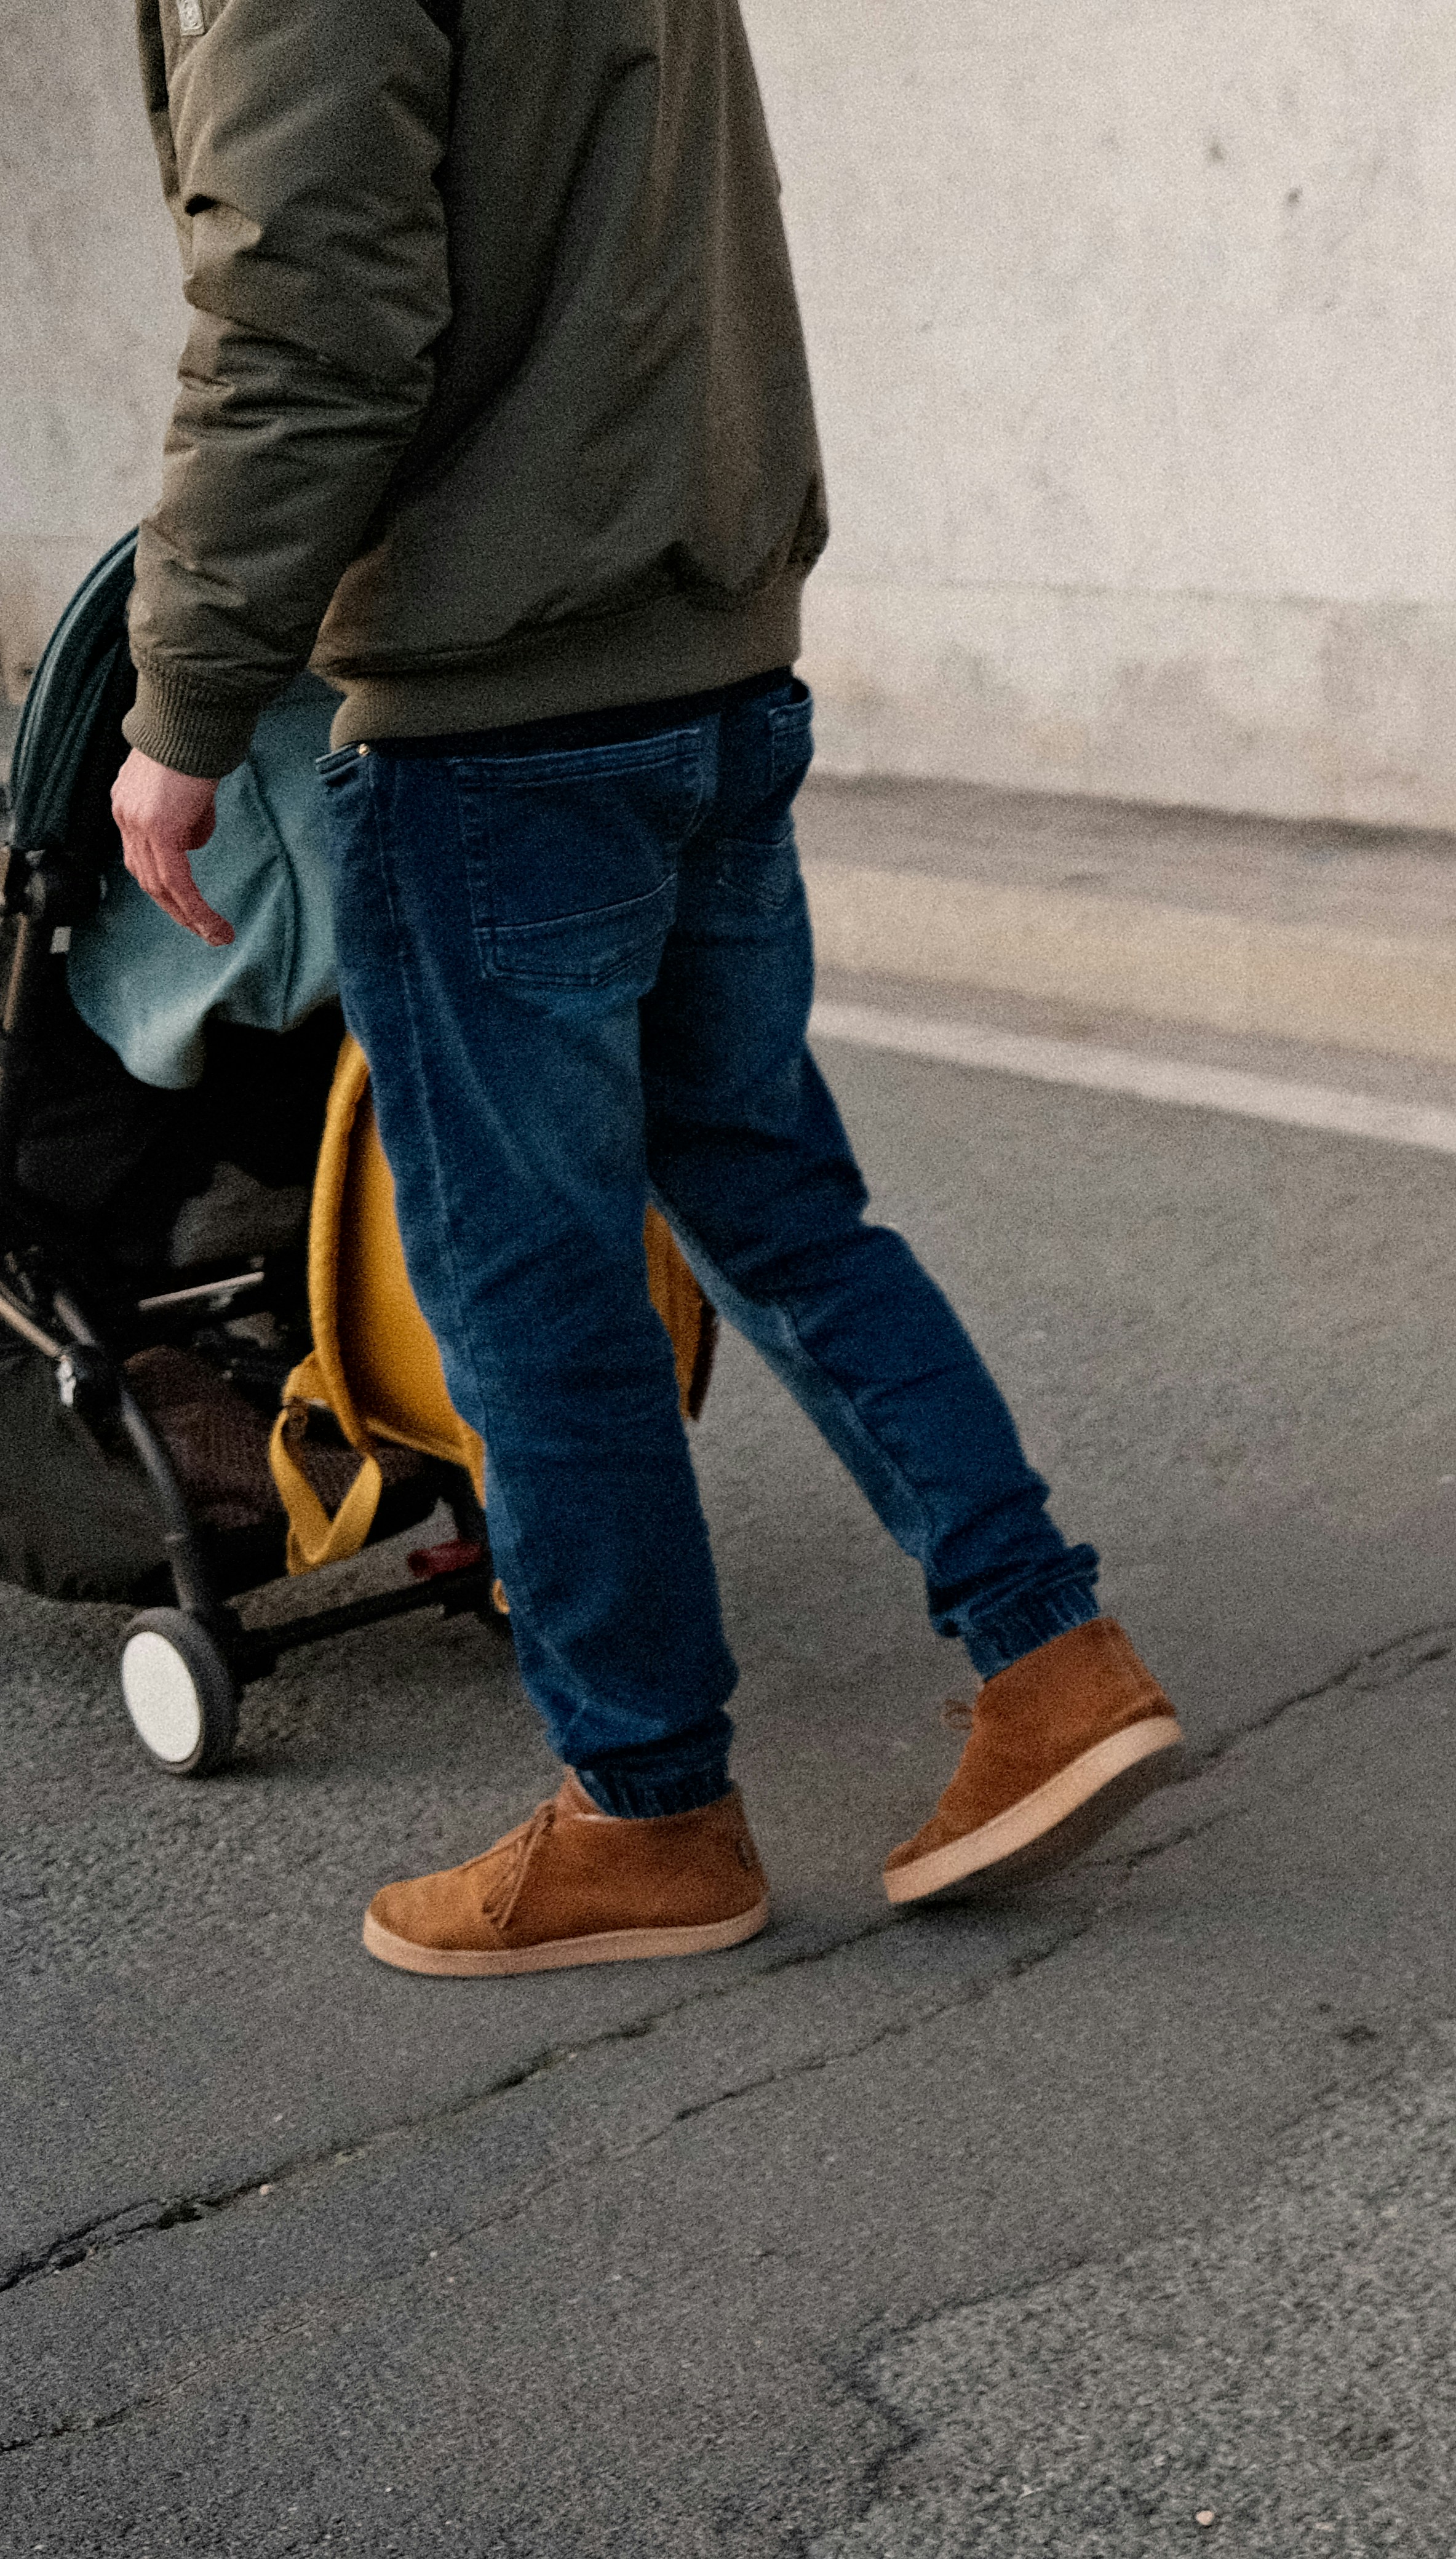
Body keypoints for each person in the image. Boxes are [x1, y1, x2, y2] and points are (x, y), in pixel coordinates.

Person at [105, 0, 1183, 1976]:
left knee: (534, 1288)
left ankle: (652, 1810)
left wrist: (183, 703)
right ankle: (1053, 1654)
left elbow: (306, 311)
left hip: (499, 699)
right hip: (704, 644)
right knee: (773, 1197)